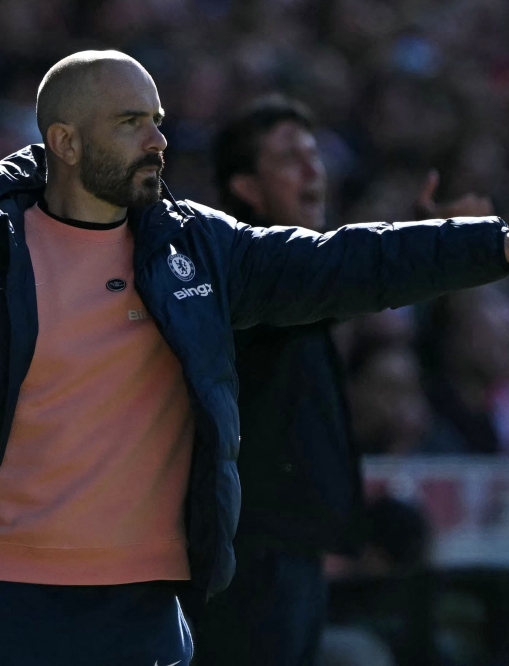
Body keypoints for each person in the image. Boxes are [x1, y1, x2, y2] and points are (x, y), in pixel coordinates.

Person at [0, 50, 509, 665]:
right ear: (66, 142)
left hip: (141, 608)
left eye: (156, 118)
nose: (158, 138)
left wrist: (500, 246)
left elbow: (347, 263)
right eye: (131, 122)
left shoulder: (199, 248)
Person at [194, 97, 490, 666]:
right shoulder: (244, 273)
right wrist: (428, 241)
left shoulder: (295, 278)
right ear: (247, 189)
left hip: (287, 552)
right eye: (289, 158)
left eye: (315, 155)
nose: (313, 171)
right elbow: (355, 275)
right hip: (251, 558)